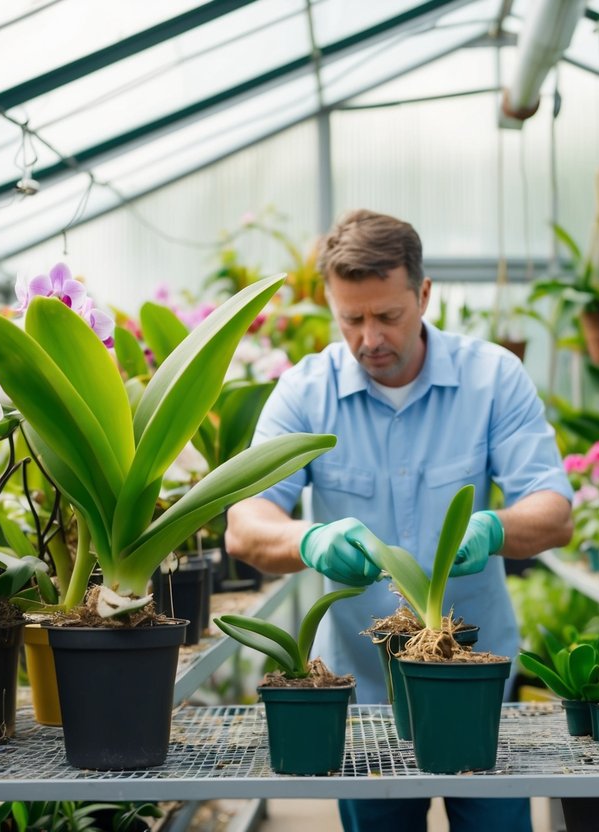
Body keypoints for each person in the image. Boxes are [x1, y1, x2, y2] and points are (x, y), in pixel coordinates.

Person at [226, 209, 573, 832]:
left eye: (387, 315)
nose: (368, 339)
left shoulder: (493, 377)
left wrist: (491, 529)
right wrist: (310, 539)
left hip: (476, 679)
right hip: (362, 695)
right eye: (350, 319)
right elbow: (245, 526)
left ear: (425, 294)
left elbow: (552, 511)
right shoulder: (305, 393)